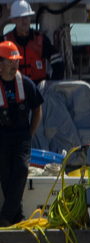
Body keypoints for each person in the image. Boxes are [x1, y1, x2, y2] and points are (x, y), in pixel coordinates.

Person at [0, 40, 43, 227]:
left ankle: (4, 218)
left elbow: (37, 110)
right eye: (10, 61)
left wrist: (29, 134)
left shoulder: (26, 84)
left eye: (16, 61)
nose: (15, 64)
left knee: (22, 169)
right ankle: (18, 219)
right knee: (6, 177)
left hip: (22, 136)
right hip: (2, 137)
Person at [5, 0, 64, 86]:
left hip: (38, 89)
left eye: (27, 17)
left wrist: (50, 86)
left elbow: (58, 65)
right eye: (20, 18)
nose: (25, 20)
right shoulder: (5, 41)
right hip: (13, 88)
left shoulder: (41, 40)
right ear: (13, 20)